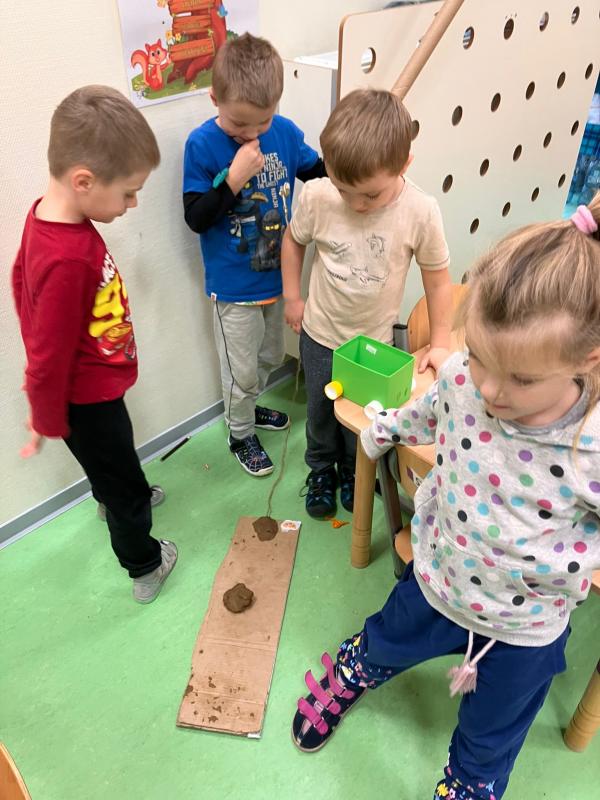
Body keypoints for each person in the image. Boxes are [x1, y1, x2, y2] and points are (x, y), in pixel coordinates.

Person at [291, 198, 600, 800]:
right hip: (438, 575)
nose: (490, 389)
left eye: (521, 378)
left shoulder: (591, 443)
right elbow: (429, 409)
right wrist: (382, 429)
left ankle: (468, 783)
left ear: (586, 361)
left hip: (525, 628)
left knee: (490, 740)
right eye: (480, 356)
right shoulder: (462, 377)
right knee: (384, 638)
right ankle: (358, 666)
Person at [12, 85, 175, 604]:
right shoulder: (67, 257)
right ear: (84, 181)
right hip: (86, 400)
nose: (133, 203)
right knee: (125, 486)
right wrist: (44, 417)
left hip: (93, 388)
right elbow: (47, 354)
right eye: (128, 193)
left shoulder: (49, 216)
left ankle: (112, 492)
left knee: (111, 464)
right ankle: (145, 565)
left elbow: (19, 281)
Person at [281, 88, 452, 518]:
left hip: (375, 344)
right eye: (344, 190)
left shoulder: (420, 211)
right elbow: (293, 241)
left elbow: (438, 280)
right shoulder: (318, 196)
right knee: (320, 413)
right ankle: (321, 470)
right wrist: (293, 297)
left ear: (404, 165)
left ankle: (355, 471)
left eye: (370, 196)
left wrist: (441, 342)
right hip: (321, 336)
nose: (356, 204)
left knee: (363, 415)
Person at [183, 33, 326, 477]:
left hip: (277, 279)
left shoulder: (283, 133)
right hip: (233, 289)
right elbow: (195, 217)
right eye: (239, 124)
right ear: (215, 99)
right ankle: (240, 432)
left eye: (261, 122)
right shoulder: (202, 145)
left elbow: (317, 171)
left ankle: (247, 406)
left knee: (270, 358)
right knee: (240, 370)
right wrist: (234, 179)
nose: (251, 134)